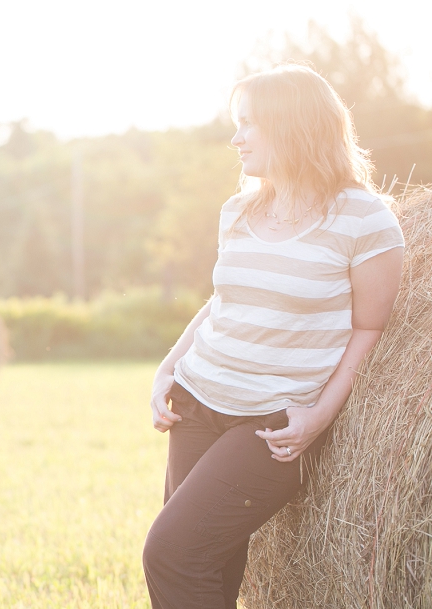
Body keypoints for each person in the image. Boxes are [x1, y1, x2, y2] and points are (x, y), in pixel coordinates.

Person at [142, 63, 405, 609]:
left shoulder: (365, 219)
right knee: (213, 562)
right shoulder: (238, 209)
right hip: (197, 400)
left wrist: (318, 417)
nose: (235, 138)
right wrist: (168, 368)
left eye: (248, 124)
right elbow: (225, 300)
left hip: (270, 423)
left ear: (293, 126)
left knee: (170, 552)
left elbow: (367, 330)